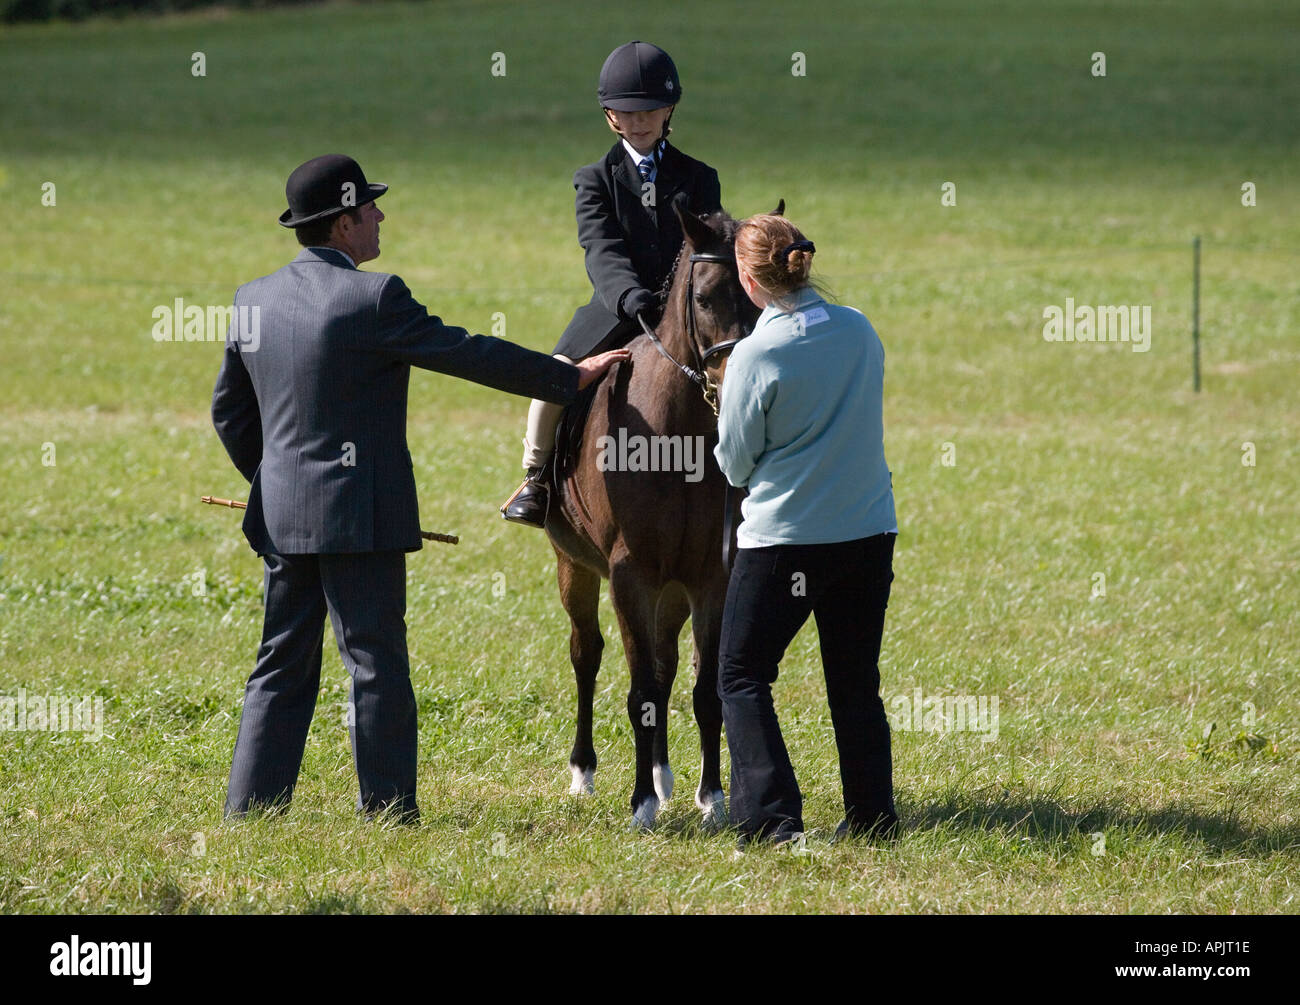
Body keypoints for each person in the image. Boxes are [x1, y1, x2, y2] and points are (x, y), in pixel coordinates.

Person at [212, 154, 628, 822]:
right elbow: (467, 353)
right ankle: (386, 812)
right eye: (370, 207)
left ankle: (252, 810)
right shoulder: (374, 298)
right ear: (344, 222)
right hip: (360, 518)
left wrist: (274, 480)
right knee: (373, 660)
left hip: (282, 513)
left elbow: (229, 413)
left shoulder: (251, 298)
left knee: (279, 664)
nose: (380, 215)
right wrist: (567, 378)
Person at [713, 213, 900, 848]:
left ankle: (771, 823)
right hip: (870, 530)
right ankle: (874, 820)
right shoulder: (860, 328)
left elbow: (735, 463)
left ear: (747, 277)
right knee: (854, 682)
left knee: (740, 674)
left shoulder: (755, 354)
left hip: (786, 541)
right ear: (804, 261)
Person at [500, 40, 722, 526]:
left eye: (650, 109)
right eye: (627, 110)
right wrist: (628, 296)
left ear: (669, 110)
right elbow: (600, 248)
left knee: (737, 366)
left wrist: (677, 302)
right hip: (617, 306)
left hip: (685, 310)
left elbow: (703, 247)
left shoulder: (700, 178)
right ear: (610, 115)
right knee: (555, 374)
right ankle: (536, 477)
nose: (639, 120)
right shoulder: (594, 180)